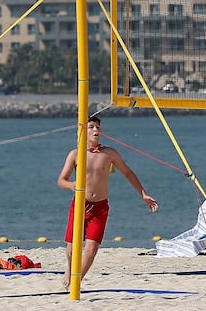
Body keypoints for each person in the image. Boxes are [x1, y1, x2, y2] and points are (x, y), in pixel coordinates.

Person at [58, 115, 158, 289]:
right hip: (80, 204)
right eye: (91, 127)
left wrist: (143, 194)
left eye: (98, 127)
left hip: (100, 207)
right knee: (72, 249)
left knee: (91, 249)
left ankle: (76, 281)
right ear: (83, 130)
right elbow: (61, 180)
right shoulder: (75, 154)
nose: (96, 130)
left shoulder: (109, 153)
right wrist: (70, 185)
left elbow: (127, 172)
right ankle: (69, 269)